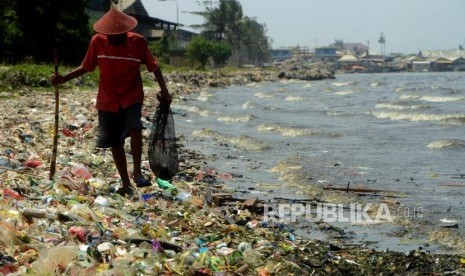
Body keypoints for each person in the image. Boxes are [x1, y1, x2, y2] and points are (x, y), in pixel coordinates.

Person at [52, 8, 172, 196]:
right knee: (115, 141)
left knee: (135, 129)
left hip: (131, 95)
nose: (115, 38)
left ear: (126, 31)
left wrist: (165, 92)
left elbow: (154, 67)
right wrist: (64, 78)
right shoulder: (97, 42)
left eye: (119, 35)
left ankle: (138, 172)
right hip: (108, 99)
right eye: (112, 35)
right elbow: (87, 66)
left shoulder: (137, 42)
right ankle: (125, 183)